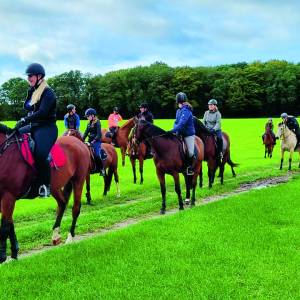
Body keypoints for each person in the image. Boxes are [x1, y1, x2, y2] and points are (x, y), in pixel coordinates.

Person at [14, 63, 58, 197]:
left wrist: (24, 120)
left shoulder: (48, 93)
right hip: (35, 126)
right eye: (28, 76)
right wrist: (29, 92)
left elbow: (42, 112)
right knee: (14, 136)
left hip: (47, 128)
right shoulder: (34, 91)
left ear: (39, 76)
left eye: (30, 76)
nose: (28, 78)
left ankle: (45, 185)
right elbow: (27, 107)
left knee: (39, 154)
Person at [168, 92, 196, 175]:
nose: (178, 104)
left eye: (178, 103)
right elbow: (176, 122)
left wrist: (172, 131)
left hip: (188, 134)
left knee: (190, 152)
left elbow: (181, 124)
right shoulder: (178, 111)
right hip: (179, 133)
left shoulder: (186, 111)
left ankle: (190, 167)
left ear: (180, 102)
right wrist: (174, 130)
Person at [83, 108, 106, 176]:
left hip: (96, 141)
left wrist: (92, 142)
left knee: (96, 155)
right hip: (89, 140)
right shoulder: (89, 123)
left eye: (88, 116)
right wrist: (81, 139)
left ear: (93, 115)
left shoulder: (97, 122)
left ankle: (102, 169)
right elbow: (86, 132)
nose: (87, 118)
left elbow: (99, 134)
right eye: (87, 116)